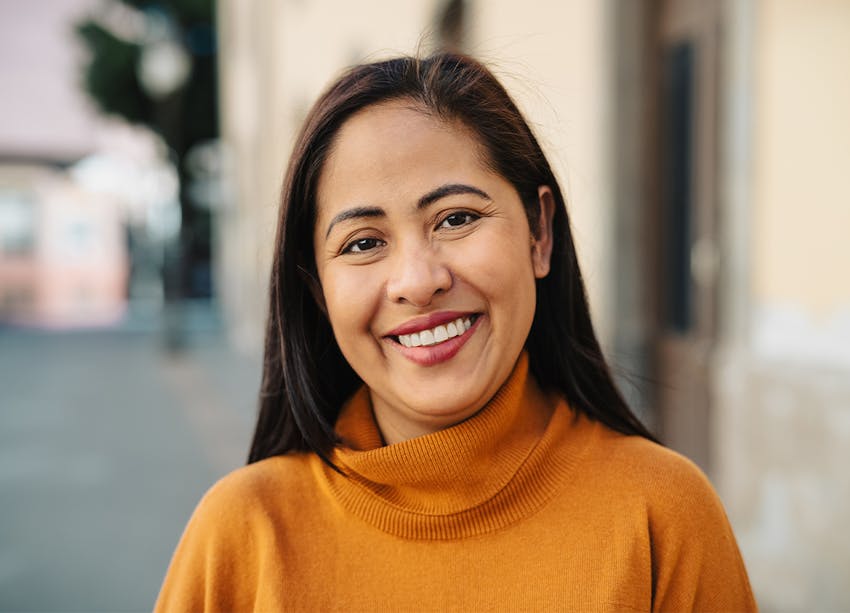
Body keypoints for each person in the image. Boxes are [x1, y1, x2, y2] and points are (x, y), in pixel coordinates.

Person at [155, 53, 757, 612]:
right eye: (363, 243)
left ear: (538, 233)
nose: (417, 281)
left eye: (457, 218)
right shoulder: (241, 534)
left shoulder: (662, 513)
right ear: (318, 291)